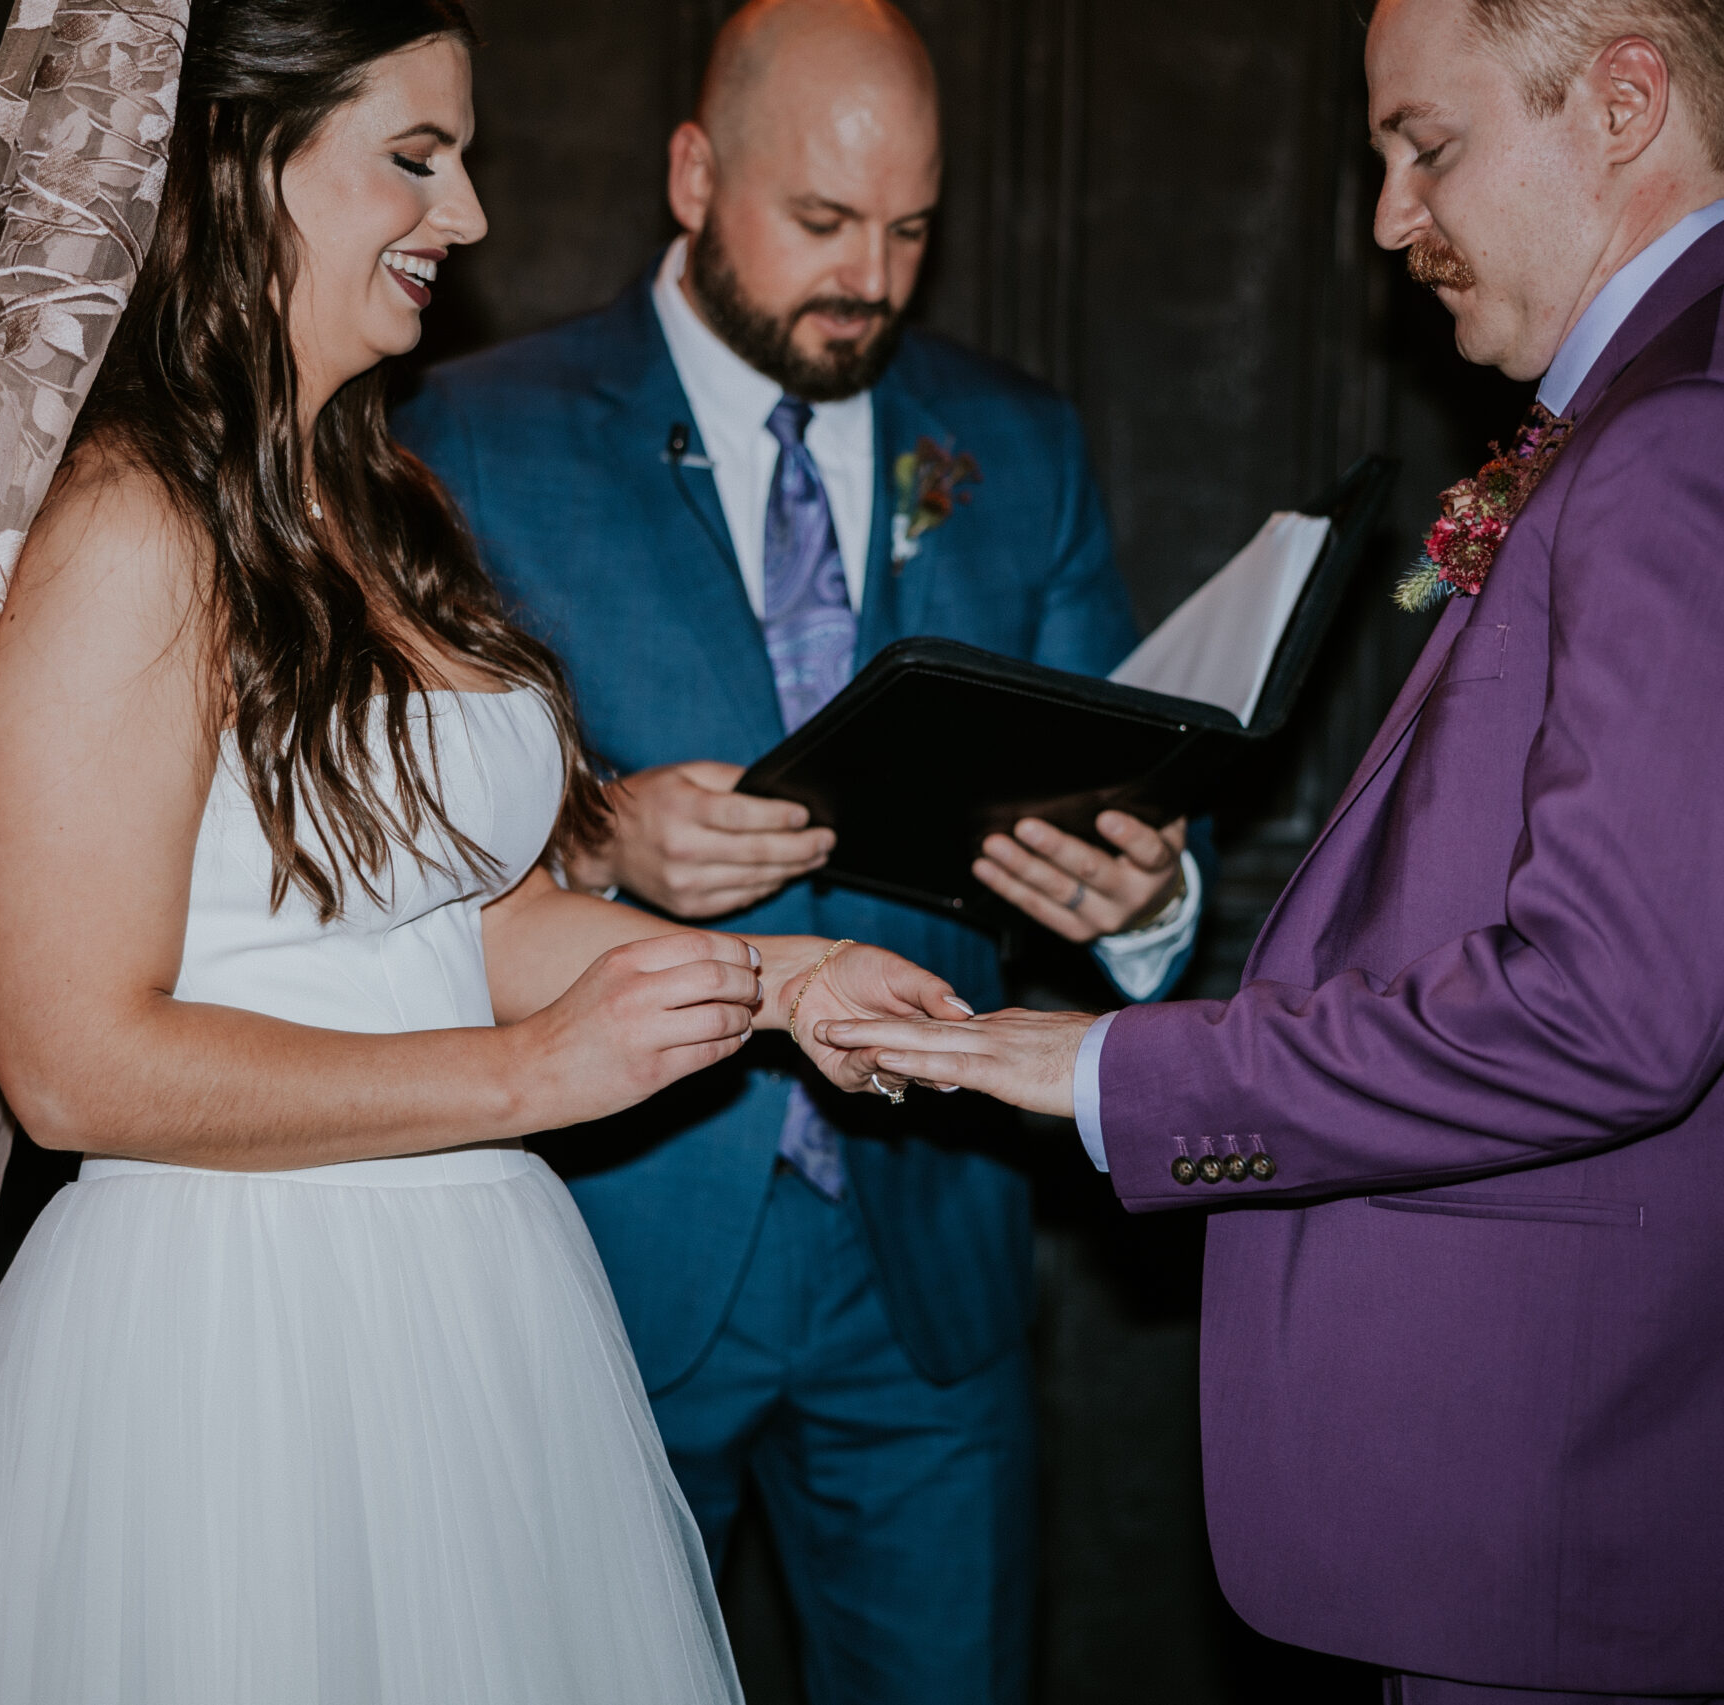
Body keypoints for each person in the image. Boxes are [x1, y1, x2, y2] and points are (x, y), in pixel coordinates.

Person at [824, 0, 1724, 1700]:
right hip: (1626, 1493)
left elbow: (1603, 1010)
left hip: (1611, 1506)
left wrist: (1101, 1072)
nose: (1386, 218)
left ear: (1623, 100)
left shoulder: (1717, 443)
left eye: (1424, 147)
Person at [0, 6, 963, 1701]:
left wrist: (786, 981)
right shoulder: (126, 524)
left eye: (459, 158)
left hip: (472, 1300)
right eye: (415, 158)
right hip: (229, 1340)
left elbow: (453, 928)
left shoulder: (375, 500)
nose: (467, 216)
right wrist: (523, 1076)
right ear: (239, 168)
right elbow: (74, 1065)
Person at [394, 3, 1203, 1698]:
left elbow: (1118, 779)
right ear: (693, 176)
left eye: (911, 230)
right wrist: (603, 836)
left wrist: (1146, 902)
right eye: (823, 224)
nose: (875, 280)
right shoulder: (472, 435)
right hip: (612, 1246)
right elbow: (380, 843)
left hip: (934, 1278)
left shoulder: (1020, 444)